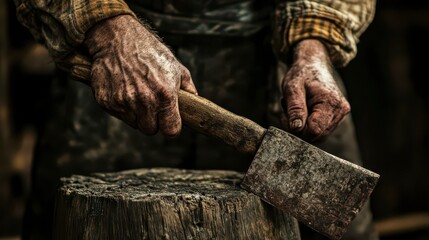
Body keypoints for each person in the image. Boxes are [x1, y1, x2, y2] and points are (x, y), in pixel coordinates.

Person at [13, 0, 377, 239]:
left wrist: (314, 45)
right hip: (114, 60)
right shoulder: (110, 43)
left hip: (276, 61)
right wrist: (108, 30)